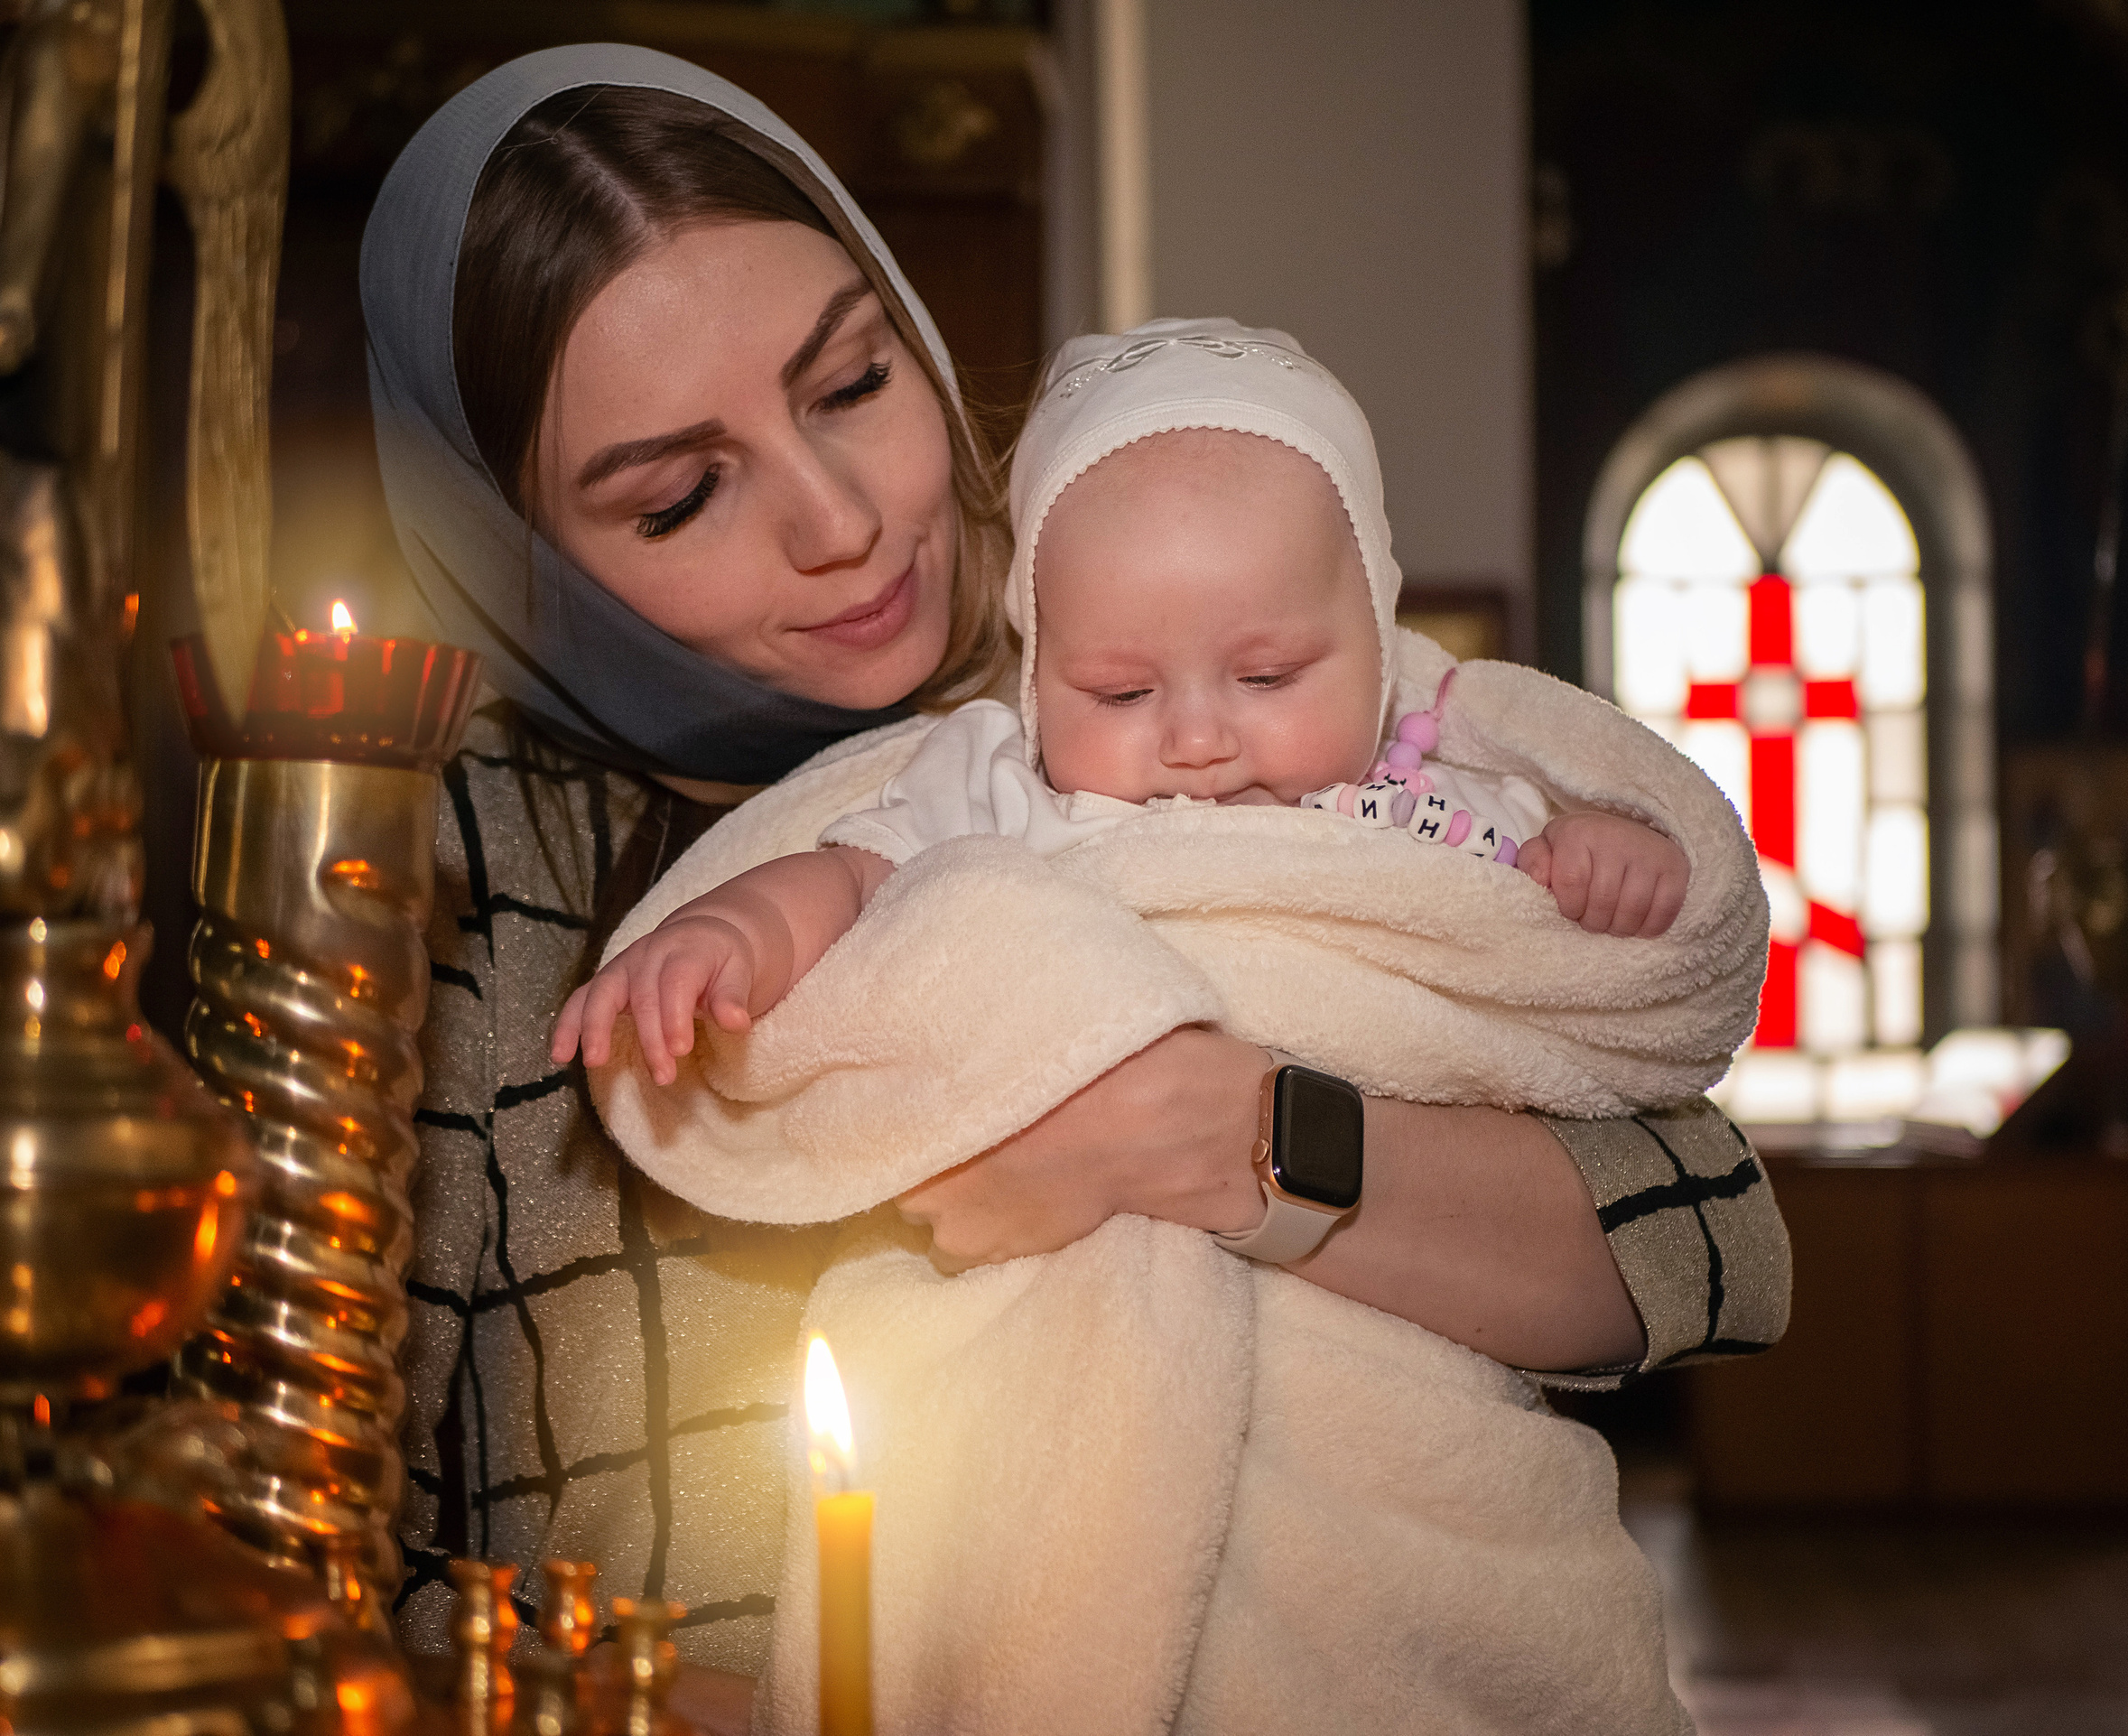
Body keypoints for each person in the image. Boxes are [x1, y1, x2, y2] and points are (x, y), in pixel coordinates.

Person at [361, 44, 1789, 1718]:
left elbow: (1710, 1241)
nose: (837, 519)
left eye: (852, 384)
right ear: (512, 548)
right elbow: (320, 1537)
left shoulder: (1178, 696)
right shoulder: (456, 879)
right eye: (682, 494)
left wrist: (1220, 1129)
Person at [553, 321, 1697, 1079]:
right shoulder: (1011, 789)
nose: (1196, 740)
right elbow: (853, 875)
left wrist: (1597, 851)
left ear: (1378, 645)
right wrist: (728, 930)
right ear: (1040, 673)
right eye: (1118, 689)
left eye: (1266, 677)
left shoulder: (1439, 798)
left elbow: (1547, 952)